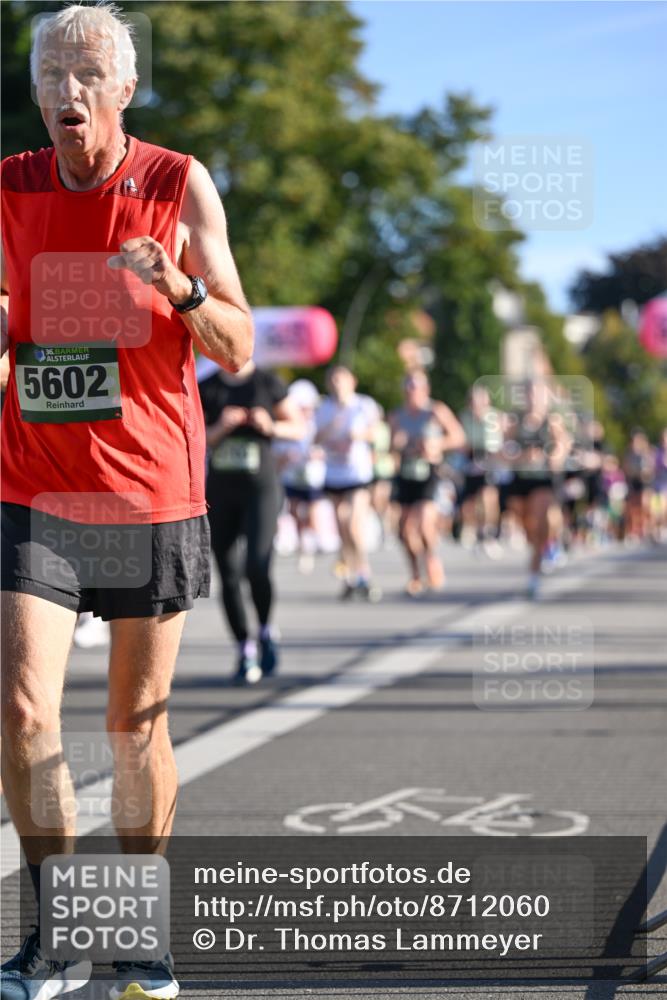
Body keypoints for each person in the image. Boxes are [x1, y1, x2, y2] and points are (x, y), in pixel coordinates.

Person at [0, 6, 253, 999]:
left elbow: (240, 343)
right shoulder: (9, 190)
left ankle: (139, 933)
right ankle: (54, 931)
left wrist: (180, 291)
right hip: (34, 488)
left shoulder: (175, 182)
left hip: (149, 488)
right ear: (33, 91)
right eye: (51, 71)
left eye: (88, 72)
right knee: (23, 713)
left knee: (132, 726)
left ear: (125, 90)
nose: (68, 88)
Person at [198, 361, 303, 683]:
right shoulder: (208, 387)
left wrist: (270, 424)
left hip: (261, 490)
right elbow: (192, 437)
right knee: (228, 574)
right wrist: (220, 428)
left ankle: (267, 629)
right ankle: (244, 647)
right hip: (221, 490)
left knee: (257, 565)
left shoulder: (267, 383)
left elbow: (298, 427)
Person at [390, 370, 466, 595]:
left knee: (424, 523)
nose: (413, 391)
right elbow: (391, 446)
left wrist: (437, 444)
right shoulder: (397, 415)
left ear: (426, 389)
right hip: (406, 472)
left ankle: (431, 560)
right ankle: (415, 573)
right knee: (403, 530)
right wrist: (398, 444)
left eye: (417, 387)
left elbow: (459, 437)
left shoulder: (436, 411)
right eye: (409, 387)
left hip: (430, 472)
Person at [315, 365, 381, 601]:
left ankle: (364, 572)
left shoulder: (364, 405)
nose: (337, 383)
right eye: (332, 379)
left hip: (357, 474)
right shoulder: (324, 408)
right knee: (342, 526)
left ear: (352, 381)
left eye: (341, 379)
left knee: (353, 523)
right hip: (334, 473)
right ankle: (351, 576)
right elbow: (315, 438)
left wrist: (359, 435)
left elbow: (378, 433)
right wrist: (331, 429)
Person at [503, 380, 571, 598]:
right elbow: (504, 449)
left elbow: (563, 444)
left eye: (538, 395)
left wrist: (554, 456)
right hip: (521, 479)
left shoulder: (551, 420)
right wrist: (521, 456)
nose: (533, 399)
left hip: (543, 480)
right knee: (528, 527)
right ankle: (543, 548)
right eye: (529, 394)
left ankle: (534, 575)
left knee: (542, 519)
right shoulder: (516, 421)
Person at [274, 379, 327, 574]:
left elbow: (325, 447)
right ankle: (302, 545)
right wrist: (287, 458)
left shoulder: (315, 425)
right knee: (295, 512)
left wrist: (317, 454)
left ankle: (311, 543)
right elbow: (279, 452)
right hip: (293, 475)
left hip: (312, 477)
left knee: (312, 512)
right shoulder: (289, 424)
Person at [458, 384, 503, 557]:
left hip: (489, 460)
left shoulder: (494, 417)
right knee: (471, 502)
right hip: (470, 460)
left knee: (488, 497)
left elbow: (495, 444)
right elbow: (462, 442)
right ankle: (478, 533)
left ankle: (490, 534)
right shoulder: (464, 417)